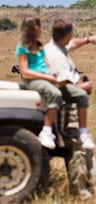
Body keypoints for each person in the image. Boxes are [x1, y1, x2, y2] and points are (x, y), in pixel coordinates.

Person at [44, 18, 96, 198]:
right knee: (77, 148)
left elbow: (71, 45)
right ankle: (81, 194)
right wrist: (82, 89)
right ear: (68, 35)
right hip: (66, 109)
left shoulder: (56, 47)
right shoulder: (56, 57)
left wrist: (87, 40)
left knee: (84, 146)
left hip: (70, 106)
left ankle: (95, 189)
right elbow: (59, 83)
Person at [16, 16, 60, 150]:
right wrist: (47, 78)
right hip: (33, 80)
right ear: (32, 29)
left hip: (45, 77)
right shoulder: (22, 47)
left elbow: (47, 64)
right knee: (55, 94)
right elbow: (24, 71)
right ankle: (46, 131)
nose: (41, 29)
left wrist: (54, 74)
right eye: (38, 26)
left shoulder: (39, 45)